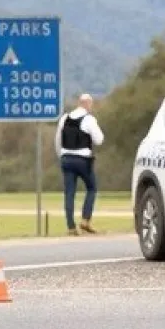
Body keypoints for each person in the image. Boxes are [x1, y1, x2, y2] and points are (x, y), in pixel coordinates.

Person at [54, 93, 105, 235]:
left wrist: (61, 156)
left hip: (66, 158)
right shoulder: (89, 119)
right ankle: (85, 220)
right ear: (88, 104)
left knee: (69, 193)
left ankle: (70, 227)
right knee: (92, 188)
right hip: (82, 160)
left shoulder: (64, 118)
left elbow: (58, 140)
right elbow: (99, 139)